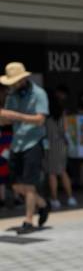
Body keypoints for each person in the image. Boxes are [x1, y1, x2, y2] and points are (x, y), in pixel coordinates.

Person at [0, 62, 50, 234]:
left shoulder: (39, 93)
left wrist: (15, 116)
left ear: (23, 79)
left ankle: (28, 220)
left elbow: (40, 120)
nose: (12, 85)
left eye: (14, 82)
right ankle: (43, 204)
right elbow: (7, 120)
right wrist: (4, 117)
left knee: (29, 184)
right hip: (17, 143)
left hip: (34, 142)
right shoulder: (11, 96)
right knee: (14, 185)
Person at [45, 86, 77, 210]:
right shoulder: (62, 111)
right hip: (61, 144)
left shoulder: (45, 113)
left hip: (49, 145)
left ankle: (54, 199)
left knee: (52, 173)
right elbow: (65, 129)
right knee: (63, 171)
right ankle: (70, 197)